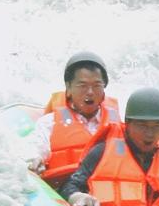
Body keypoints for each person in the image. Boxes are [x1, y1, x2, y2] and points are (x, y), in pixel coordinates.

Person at [31, 52, 121, 188]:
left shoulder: (119, 124)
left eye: (97, 85)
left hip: (105, 189)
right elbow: (36, 152)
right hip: (64, 190)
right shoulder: (48, 123)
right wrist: (35, 160)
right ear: (68, 88)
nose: (90, 92)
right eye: (82, 85)